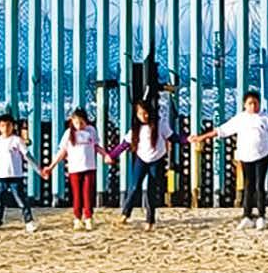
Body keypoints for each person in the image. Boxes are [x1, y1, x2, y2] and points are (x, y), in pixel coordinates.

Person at [190, 89, 268, 230]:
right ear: (245, 104)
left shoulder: (266, 118)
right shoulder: (240, 119)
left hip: (262, 155)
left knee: (260, 185)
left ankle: (261, 216)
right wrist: (201, 137)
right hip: (245, 156)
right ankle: (247, 216)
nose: (253, 106)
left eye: (255, 103)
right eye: (250, 103)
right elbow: (221, 130)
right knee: (248, 185)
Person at [108, 97, 173, 230]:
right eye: (140, 114)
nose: (143, 116)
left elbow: (173, 137)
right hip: (141, 159)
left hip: (156, 160)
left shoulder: (160, 124)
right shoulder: (136, 129)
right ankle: (125, 215)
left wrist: (188, 139)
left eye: (145, 113)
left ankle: (150, 220)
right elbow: (124, 144)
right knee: (134, 187)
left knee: (151, 190)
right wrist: (112, 155)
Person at [41, 107, 101, 231]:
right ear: (72, 121)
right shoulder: (68, 133)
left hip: (89, 167)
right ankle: (77, 218)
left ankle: (88, 218)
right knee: (77, 195)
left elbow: (96, 146)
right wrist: (51, 166)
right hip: (75, 169)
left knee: (88, 194)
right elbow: (62, 151)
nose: (79, 125)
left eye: (82, 122)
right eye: (76, 123)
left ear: (86, 121)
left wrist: (105, 155)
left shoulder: (91, 130)